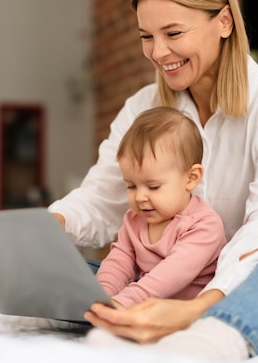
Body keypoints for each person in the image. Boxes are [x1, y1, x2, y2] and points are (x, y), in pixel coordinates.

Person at [48, 0, 258, 361]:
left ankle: (218, 334)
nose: (158, 52)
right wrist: (49, 226)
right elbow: (102, 200)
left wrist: (196, 309)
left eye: (173, 34)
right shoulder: (141, 108)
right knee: (64, 280)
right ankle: (119, 312)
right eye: (146, 37)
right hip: (168, 287)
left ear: (223, 22)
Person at [95, 106, 227, 309]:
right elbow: (119, 261)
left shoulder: (204, 225)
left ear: (191, 178)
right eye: (131, 186)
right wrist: (101, 297)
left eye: (153, 187)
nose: (139, 197)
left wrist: (122, 302)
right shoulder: (134, 219)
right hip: (145, 303)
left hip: (185, 313)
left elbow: (168, 276)